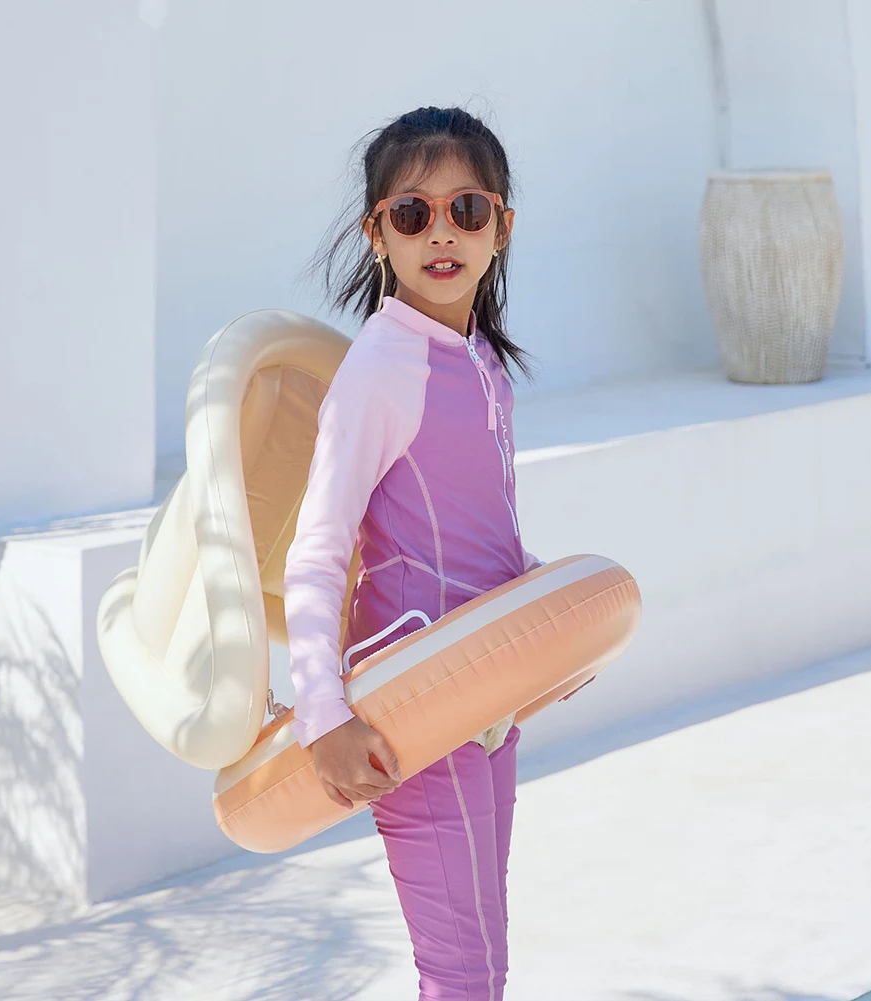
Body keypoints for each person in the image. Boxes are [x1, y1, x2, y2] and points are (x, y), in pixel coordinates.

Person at [283, 105, 544, 1001]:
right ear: (376, 233)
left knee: (485, 961)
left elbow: (485, 531)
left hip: (486, 690)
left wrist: (545, 642)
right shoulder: (380, 370)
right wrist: (323, 716)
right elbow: (317, 550)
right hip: (415, 701)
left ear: (501, 227)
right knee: (460, 972)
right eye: (411, 212)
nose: (441, 233)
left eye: (466, 209)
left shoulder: (481, 362)